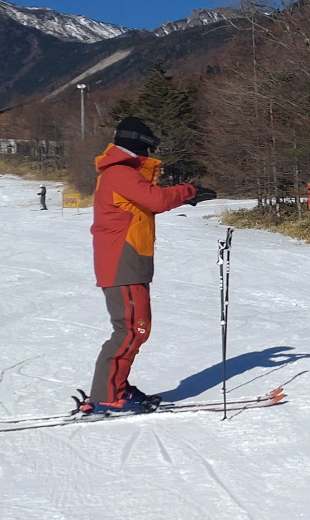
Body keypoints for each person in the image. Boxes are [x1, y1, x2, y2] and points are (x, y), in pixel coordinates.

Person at [79, 116, 216, 414]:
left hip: (127, 262)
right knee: (131, 329)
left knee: (133, 328)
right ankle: (108, 393)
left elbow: (148, 202)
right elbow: (156, 200)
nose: (151, 155)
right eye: (149, 148)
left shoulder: (120, 173)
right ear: (141, 146)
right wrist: (189, 192)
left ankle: (114, 386)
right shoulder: (120, 174)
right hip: (122, 263)